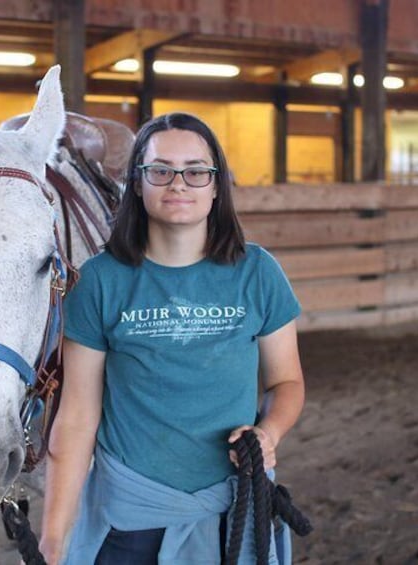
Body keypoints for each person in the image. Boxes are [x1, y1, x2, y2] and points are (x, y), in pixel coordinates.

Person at [39, 112, 305, 565]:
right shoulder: (99, 282)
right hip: (132, 517)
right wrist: (53, 539)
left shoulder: (258, 273)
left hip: (233, 514)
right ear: (137, 184)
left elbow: (287, 384)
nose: (178, 184)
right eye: (160, 170)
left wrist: (268, 432)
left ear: (216, 185)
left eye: (196, 171)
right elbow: (78, 415)